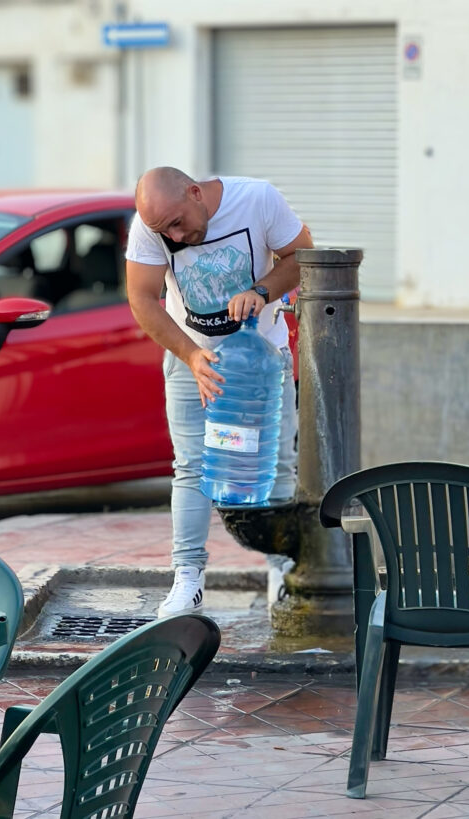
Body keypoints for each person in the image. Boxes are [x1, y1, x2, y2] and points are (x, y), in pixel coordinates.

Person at [124, 167, 313, 617]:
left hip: (262, 361)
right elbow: (142, 299)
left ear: (195, 193)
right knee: (191, 467)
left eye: (177, 223)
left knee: (277, 462)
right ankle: (187, 579)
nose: (175, 236)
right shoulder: (150, 227)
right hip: (195, 361)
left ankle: (281, 569)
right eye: (163, 231)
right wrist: (191, 357)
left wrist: (261, 291)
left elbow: (303, 255)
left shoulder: (257, 199)